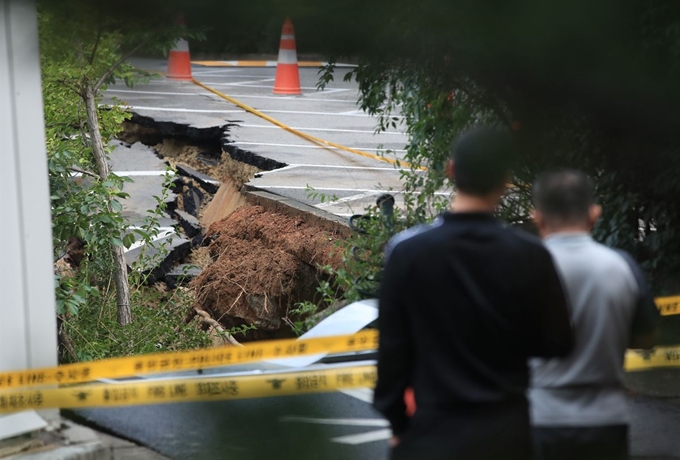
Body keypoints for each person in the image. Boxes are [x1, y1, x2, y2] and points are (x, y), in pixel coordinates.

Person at [373, 127, 574, 460]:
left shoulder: (408, 252)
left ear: (451, 170)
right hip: (506, 431)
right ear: (506, 179)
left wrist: (397, 424)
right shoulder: (530, 254)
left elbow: (392, 352)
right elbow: (558, 343)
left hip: (432, 429)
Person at [529, 169, 660, 460]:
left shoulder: (517, 269)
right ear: (594, 213)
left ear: (537, 216)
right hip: (606, 421)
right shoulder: (622, 266)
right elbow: (647, 338)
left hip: (540, 420)